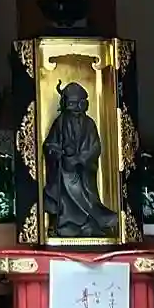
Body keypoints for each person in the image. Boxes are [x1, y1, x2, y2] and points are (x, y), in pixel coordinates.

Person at [41, 80, 110, 238]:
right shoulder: (60, 122)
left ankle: (89, 222)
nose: (76, 108)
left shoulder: (89, 124)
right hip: (64, 168)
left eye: (80, 103)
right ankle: (65, 224)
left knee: (86, 195)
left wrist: (80, 159)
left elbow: (95, 147)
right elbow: (50, 144)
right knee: (59, 188)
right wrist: (57, 152)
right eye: (72, 104)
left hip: (83, 170)